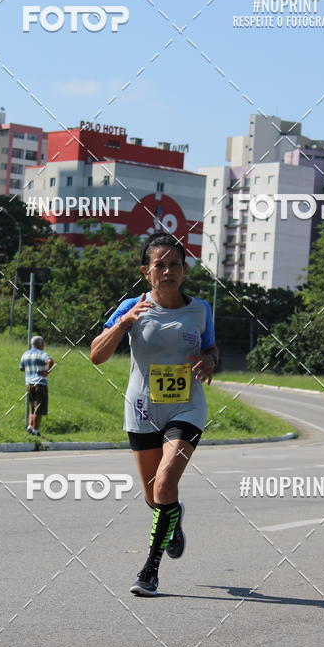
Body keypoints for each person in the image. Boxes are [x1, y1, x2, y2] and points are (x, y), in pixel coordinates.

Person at [90, 232, 218, 596]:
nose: (167, 271)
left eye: (174, 264)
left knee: (164, 483)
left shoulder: (200, 310)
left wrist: (210, 360)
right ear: (146, 272)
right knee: (153, 497)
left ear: (184, 270)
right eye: (159, 265)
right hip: (142, 409)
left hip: (186, 407)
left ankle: (149, 571)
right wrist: (123, 323)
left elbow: (212, 349)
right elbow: (96, 355)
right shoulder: (131, 306)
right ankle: (172, 519)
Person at [19, 335, 54, 437]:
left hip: (29, 384)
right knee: (39, 408)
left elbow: (21, 368)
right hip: (40, 383)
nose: (44, 345)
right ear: (39, 344)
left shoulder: (25, 354)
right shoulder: (41, 353)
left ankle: (30, 427)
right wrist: (47, 371)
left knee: (33, 407)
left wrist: (31, 369)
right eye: (43, 343)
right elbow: (50, 361)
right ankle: (35, 431)